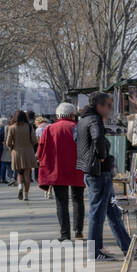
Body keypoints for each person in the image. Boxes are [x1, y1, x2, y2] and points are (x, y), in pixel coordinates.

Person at [77, 93, 131, 260]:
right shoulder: (94, 120)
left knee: (112, 211)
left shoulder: (84, 119)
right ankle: (95, 251)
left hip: (94, 172)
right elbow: (98, 137)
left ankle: (128, 247)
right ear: (100, 106)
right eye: (108, 105)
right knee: (97, 213)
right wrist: (102, 155)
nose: (109, 109)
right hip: (98, 172)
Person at [38, 103, 86, 241]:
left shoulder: (49, 129)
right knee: (78, 199)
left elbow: (40, 151)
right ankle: (78, 230)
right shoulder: (79, 128)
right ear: (72, 114)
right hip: (78, 169)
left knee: (61, 202)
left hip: (57, 170)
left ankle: (65, 234)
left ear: (58, 115)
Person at [5, 110, 37, 200]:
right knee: (27, 174)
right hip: (28, 152)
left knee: (19, 173)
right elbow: (34, 140)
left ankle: (20, 187)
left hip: (17, 152)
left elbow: (8, 143)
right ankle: (26, 195)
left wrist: (12, 149)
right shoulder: (29, 127)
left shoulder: (11, 128)